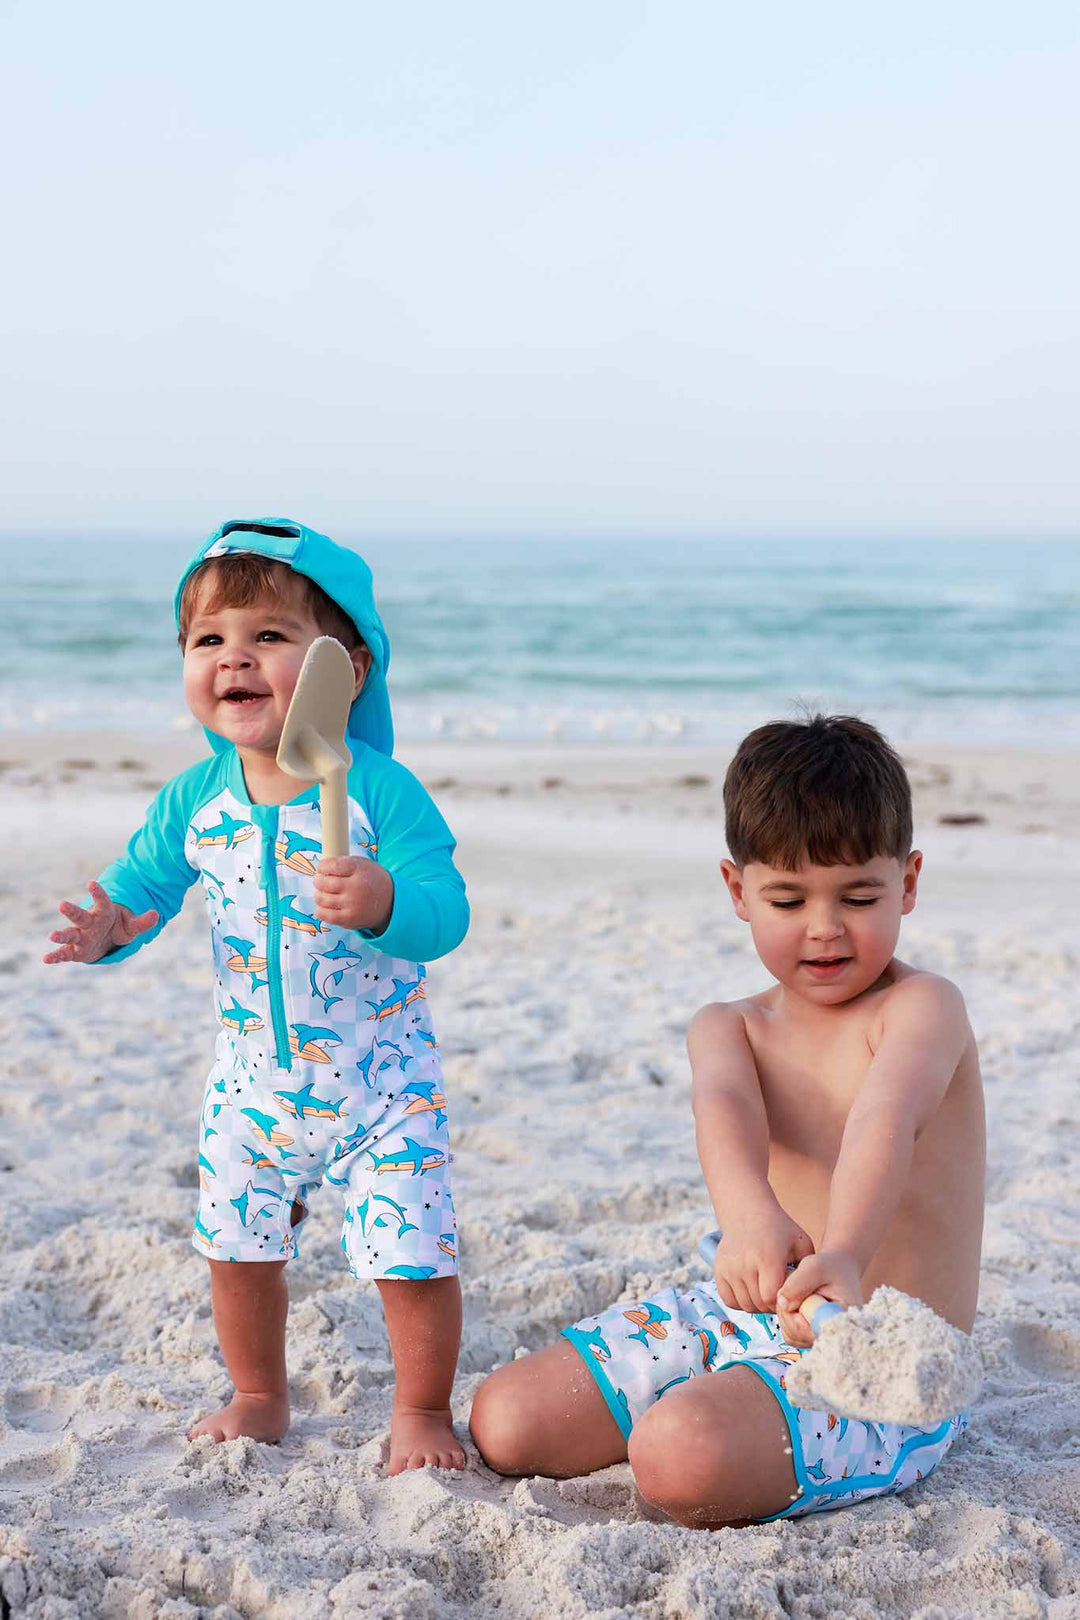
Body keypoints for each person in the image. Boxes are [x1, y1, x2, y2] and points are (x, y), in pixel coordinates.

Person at [469, 714, 984, 1524]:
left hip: (882, 1349)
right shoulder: (731, 1026)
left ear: (909, 882)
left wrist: (844, 1252)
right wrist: (749, 1219)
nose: (825, 926)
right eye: (788, 897)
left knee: (677, 1458)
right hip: (745, 1315)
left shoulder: (923, 1009)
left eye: (859, 896)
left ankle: (718, 1418)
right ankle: (718, 1394)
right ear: (737, 890)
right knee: (505, 1421)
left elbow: (884, 1119)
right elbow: (726, 1114)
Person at [44, 518, 469, 1473]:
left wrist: (387, 898)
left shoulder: (380, 794)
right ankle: (260, 1394)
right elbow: (144, 885)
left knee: (413, 1259)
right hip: (251, 1082)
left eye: (269, 636)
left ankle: (422, 1411)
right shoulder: (195, 798)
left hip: (381, 1082)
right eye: (209, 640)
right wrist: (114, 927)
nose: (235, 657)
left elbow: (446, 911)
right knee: (236, 1251)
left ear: (346, 672)